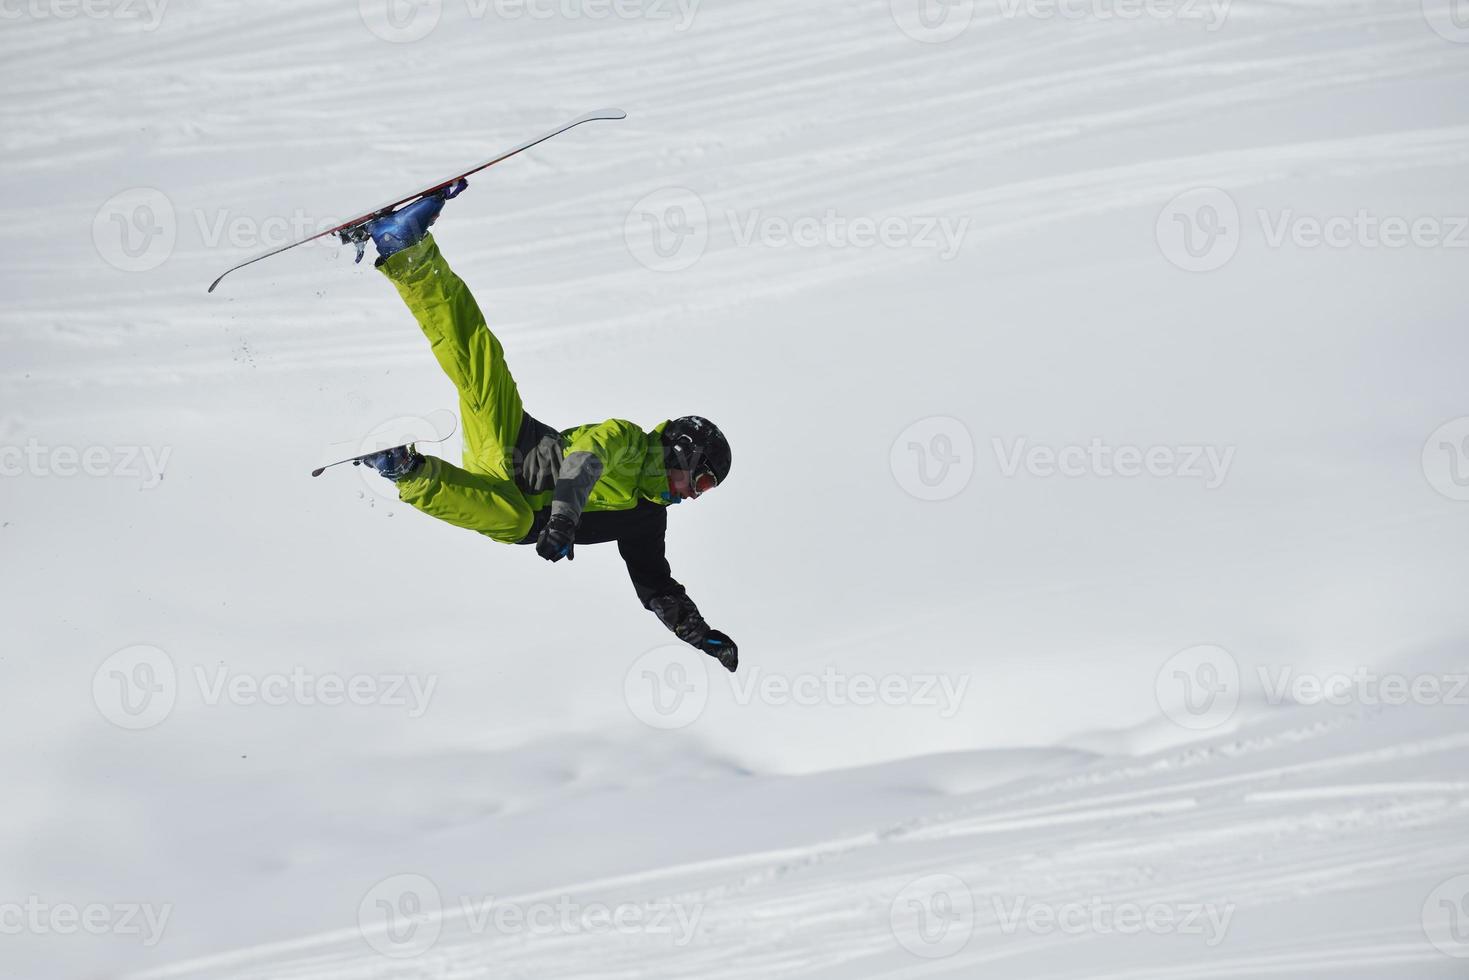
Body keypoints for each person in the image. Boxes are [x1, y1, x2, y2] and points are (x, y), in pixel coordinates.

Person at [356, 180, 738, 672]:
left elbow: (655, 582)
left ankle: (406, 471)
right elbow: (582, 463)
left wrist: (698, 633)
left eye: (704, 491)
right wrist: (564, 521)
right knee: (478, 354)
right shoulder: (626, 440)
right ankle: (405, 248)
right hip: (513, 448)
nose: (693, 495)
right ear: (683, 453)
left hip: (507, 509)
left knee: (515, 522)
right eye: (701, 481)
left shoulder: (647, 517)